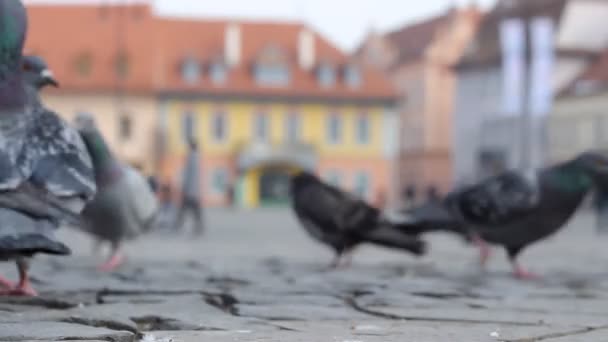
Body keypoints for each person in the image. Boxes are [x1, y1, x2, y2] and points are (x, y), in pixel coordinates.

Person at [174, 139, 204, 236]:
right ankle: (197, 226)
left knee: (185, 209)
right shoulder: (197, 157)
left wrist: (185, 188)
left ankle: (179, 224)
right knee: (193, 210)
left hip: (190, 190)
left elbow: (189, 175)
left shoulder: (191, 157)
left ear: (191, 146)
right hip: (194, 190)